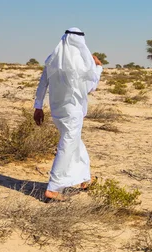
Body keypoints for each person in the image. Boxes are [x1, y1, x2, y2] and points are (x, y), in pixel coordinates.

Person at [33, 27, 103, 200]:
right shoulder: (81, 63)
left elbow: (43, 84)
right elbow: (90, 87)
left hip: (57, 111)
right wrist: (99, 67)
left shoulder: (53, 59)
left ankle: (85, 179)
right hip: (73, 111)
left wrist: (38, 106)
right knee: (67, 144)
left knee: (75, 142)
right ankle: (54, 187)